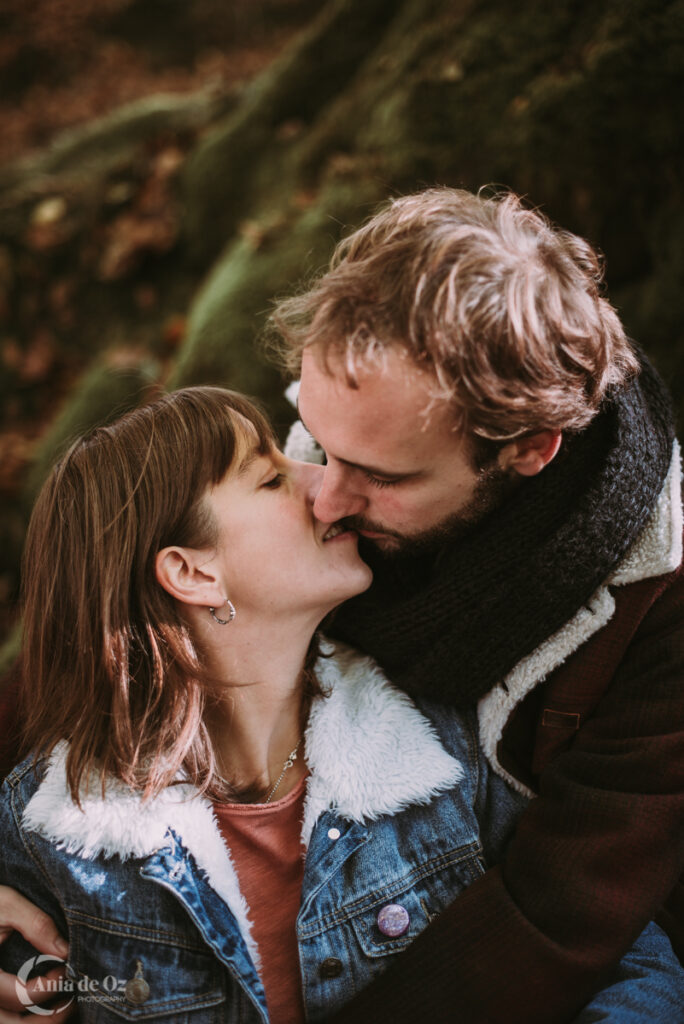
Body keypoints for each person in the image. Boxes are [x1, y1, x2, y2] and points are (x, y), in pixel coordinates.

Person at [1, 386, 683, 1024]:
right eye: (271, 479)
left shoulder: (442, 750)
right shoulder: (51, 835)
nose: (322, 486)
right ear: (192, 573)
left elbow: (630, 968)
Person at [266, 187, 684, 1023]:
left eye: (382, 479)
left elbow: (558, 916)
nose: (322, 498)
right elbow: (128, 628)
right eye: (315, 435)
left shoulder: (661, 603)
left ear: (528, 449)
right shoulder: (342, 437)